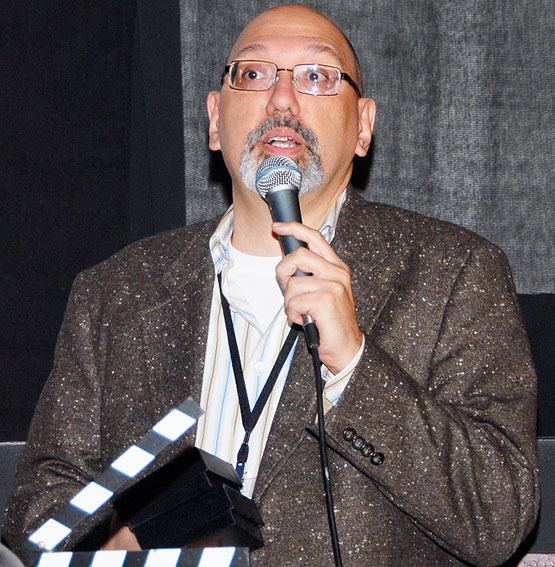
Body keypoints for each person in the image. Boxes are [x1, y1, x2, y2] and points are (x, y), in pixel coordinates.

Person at [3, 4, 539, 566]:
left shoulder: (452, 271)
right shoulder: (115, 291)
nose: (282, 100)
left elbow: (498, 518)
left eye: (316, 76)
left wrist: (354, 366)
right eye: (254, 73)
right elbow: (38, 514)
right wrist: (119, 546)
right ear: (215, 119)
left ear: (363, 127)